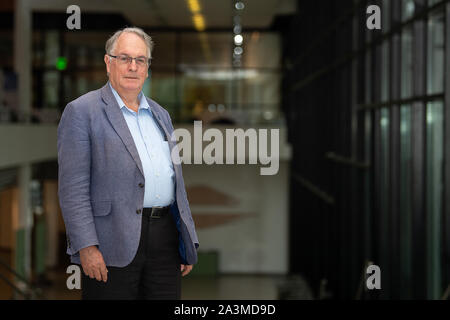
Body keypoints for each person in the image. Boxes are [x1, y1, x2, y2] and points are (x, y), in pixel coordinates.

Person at [57, 27, 199, 300]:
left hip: (165, 238)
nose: (133, 67)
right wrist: (87, 246)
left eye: (140, 60)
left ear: (147, 67)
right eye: (124, 58)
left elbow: (175, 182)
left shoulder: (161, 114)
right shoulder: (81, 112)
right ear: (108, 62)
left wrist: (185, 240)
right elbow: (72, 190)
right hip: (110, 243)